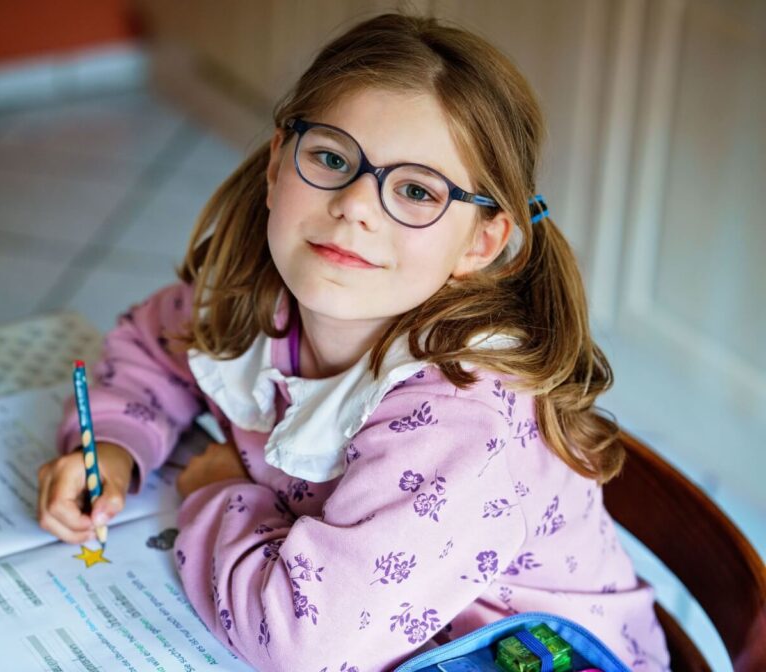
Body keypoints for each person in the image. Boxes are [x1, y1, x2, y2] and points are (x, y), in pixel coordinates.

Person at [36, 13, 669, 671]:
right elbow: (153, 346)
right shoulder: (258, 299)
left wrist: (219, 490)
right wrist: (112, 446)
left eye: (417, 190)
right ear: (279, 160)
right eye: (333, 159)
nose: (357, 206)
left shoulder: (463, 418)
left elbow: (305, 645)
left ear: (480, 241)